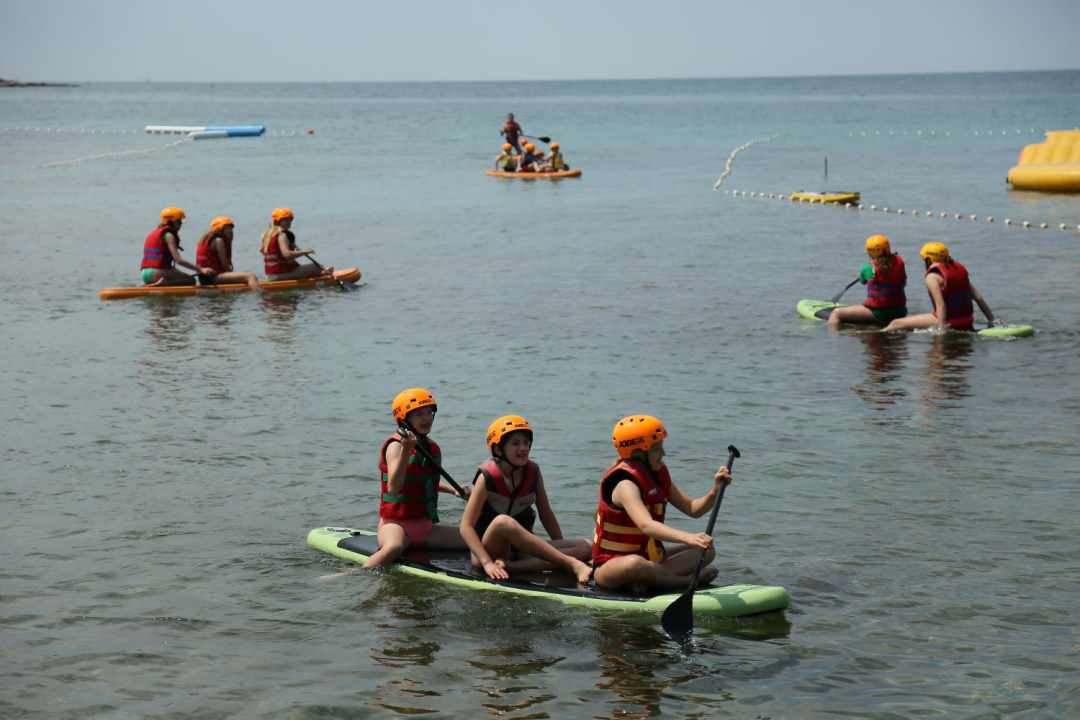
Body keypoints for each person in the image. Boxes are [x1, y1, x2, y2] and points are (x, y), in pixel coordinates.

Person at [592, 415, 732, 593]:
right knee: (636, 564)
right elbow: (646, 525)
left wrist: (715, 490)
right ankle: (686, 581)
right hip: (613, 566)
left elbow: (694, 509)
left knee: (706, 550)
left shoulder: (656, 475)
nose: (663, 454)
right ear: (637, 453)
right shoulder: (625, 484)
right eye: (657, 449)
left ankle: (652, 579)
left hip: (653, 559)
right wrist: (688, 536)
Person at [459, 415, 593, 583]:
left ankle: (517, 566)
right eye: (515, 443)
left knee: (587, 546)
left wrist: (560, 546)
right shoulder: (487, 477)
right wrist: (486, 563)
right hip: (489, 552)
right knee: (503, 522)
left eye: (526, 443)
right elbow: (466, 527)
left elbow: (546, 513)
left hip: (521, 551)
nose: (523, 448)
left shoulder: (533, 472)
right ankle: (570, 563)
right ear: (498, 449)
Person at [363, 388, 470, 568]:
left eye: (429, 413)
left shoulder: (431, 446)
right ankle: (354, 574)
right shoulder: (395, 446)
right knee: (394, 547)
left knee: (476, 539)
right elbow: (394, 489)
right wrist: (406, 449)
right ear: (404, 419)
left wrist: (455, 491)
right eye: (419, 414)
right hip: (395, 526)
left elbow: (425, 484)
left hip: (425, 529)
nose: (426, 418)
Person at [881, 242, 1001, 333]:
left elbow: (941, 305)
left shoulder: (932, 277)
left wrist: (941, 329)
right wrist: (992, 319)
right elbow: (978, 297)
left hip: (950, 322)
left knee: (896, 323)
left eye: (923, 260)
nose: (923, 263)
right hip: (968, 319)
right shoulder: (958, 271)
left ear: (929, 259)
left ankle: (875, 333)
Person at [828, 235, 907, 328]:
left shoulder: (867, 268)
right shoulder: (899, 261)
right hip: (901, 312)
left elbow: (863, 281)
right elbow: (903, 283)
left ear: (870, 252)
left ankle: (831, 338)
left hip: (879, 313)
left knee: (836, 313)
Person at [140, 207, 215, 286]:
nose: (181, 223)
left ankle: (157, 284)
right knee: (191, 280)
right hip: (156, 272)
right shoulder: (169, 235)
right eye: (178, 221)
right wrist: (201, 269)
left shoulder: (154, 233)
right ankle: (165, 283)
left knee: (181, 275)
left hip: (144, 273)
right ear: (170, 222)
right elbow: (178, 260)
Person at [259, 207, 331, 282]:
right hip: (281, 275)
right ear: (277, 221)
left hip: (272, 275)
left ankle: (317, 274)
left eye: (290, 219)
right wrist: (305, 251)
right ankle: (320, 274)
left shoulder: (267, 234)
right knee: (318, 266)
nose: (288, 222)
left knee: (308, 267)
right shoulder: (281, 235)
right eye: (285, 220)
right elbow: (287, 255)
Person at [195, 217, 263, 292]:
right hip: (212, 278)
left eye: (231, 228)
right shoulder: (219, 241)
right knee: (250, 276)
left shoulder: (205, 239)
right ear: (219, 228)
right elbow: (224, 265)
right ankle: (263, 293)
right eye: (227, 227)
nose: (230, 230)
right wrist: (234, 276)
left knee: (243, 277)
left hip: (204, 278)